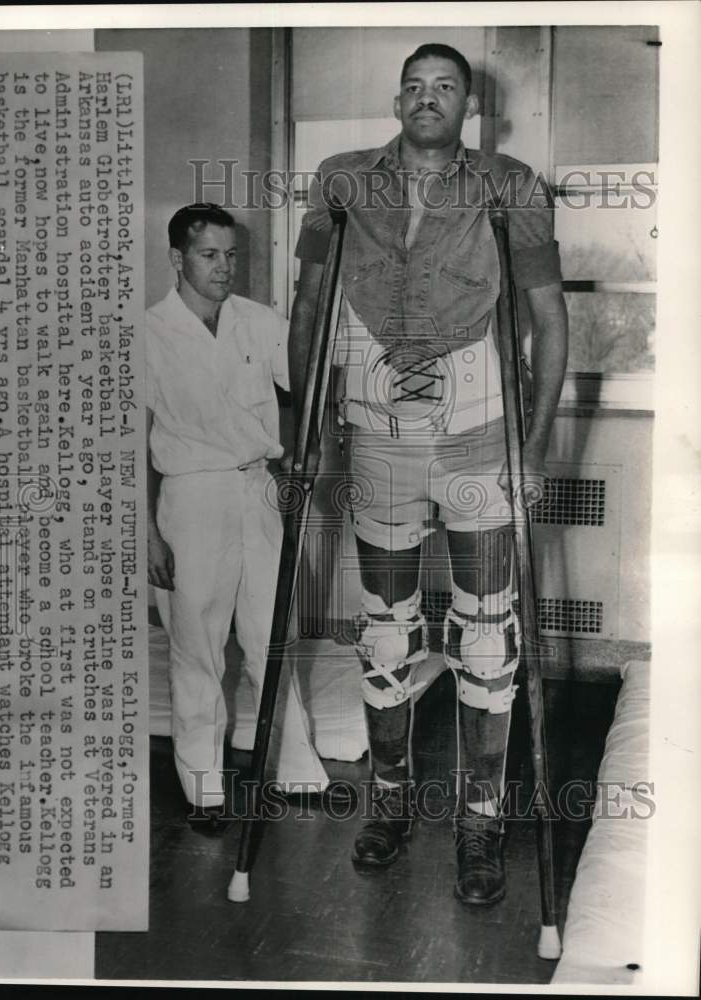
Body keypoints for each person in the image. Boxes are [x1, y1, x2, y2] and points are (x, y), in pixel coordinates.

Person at [289, 44, 568, 903]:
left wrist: (536, 435)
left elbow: (548, 318)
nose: (426, 100)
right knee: (384, 632)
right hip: (376, 441)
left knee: (487, 638)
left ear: (469, 104)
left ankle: (479, 828)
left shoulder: (509, 183)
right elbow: (307, 308)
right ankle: (390, 803)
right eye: (413, 86)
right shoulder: (341, 180)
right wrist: (302, 427)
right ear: (396, 96)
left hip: (480, 440)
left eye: (444, 88)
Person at [146, 203, 330, 836]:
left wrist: (313, 439)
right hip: (191, 501)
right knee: (197, 651)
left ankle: (298, 772)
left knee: (269, 637)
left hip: (258, 490)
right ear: (177, 258)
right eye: (208, 256)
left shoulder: (259, 322)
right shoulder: (148, 334)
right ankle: (203, 789)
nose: (224, 268)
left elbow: (309, 383)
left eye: (231, 256)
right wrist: (148, 537)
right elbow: (125, 447)